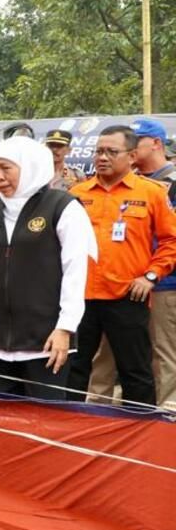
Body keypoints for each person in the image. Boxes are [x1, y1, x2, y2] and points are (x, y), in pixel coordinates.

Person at [0, 137, 94, 399]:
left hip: (46, 340)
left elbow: (75, 272)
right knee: (3, 416)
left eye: (6, 168)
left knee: (45, 418)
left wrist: (65, 328)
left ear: (29, 166)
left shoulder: (61, 207)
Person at [66, 125, 176, 406]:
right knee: (75, 368)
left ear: (131, 156)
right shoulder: (77, 194)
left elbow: (171, 241)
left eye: (111, 152)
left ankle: (139, 430)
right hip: (81, 297)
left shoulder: (151, 193)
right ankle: (72, 425)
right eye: (99, 151)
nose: (102, 157)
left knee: (135, 372)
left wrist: (151, 276)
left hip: (127, 295)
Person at [131, 117, 176, 407]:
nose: (130, 148)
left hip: (165, 283)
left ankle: (168, 412)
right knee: (135, 353)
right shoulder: (129, 182)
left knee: (165, 353)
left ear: (156, 143)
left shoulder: (172, 183)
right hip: (129, 283)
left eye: (136, 142)